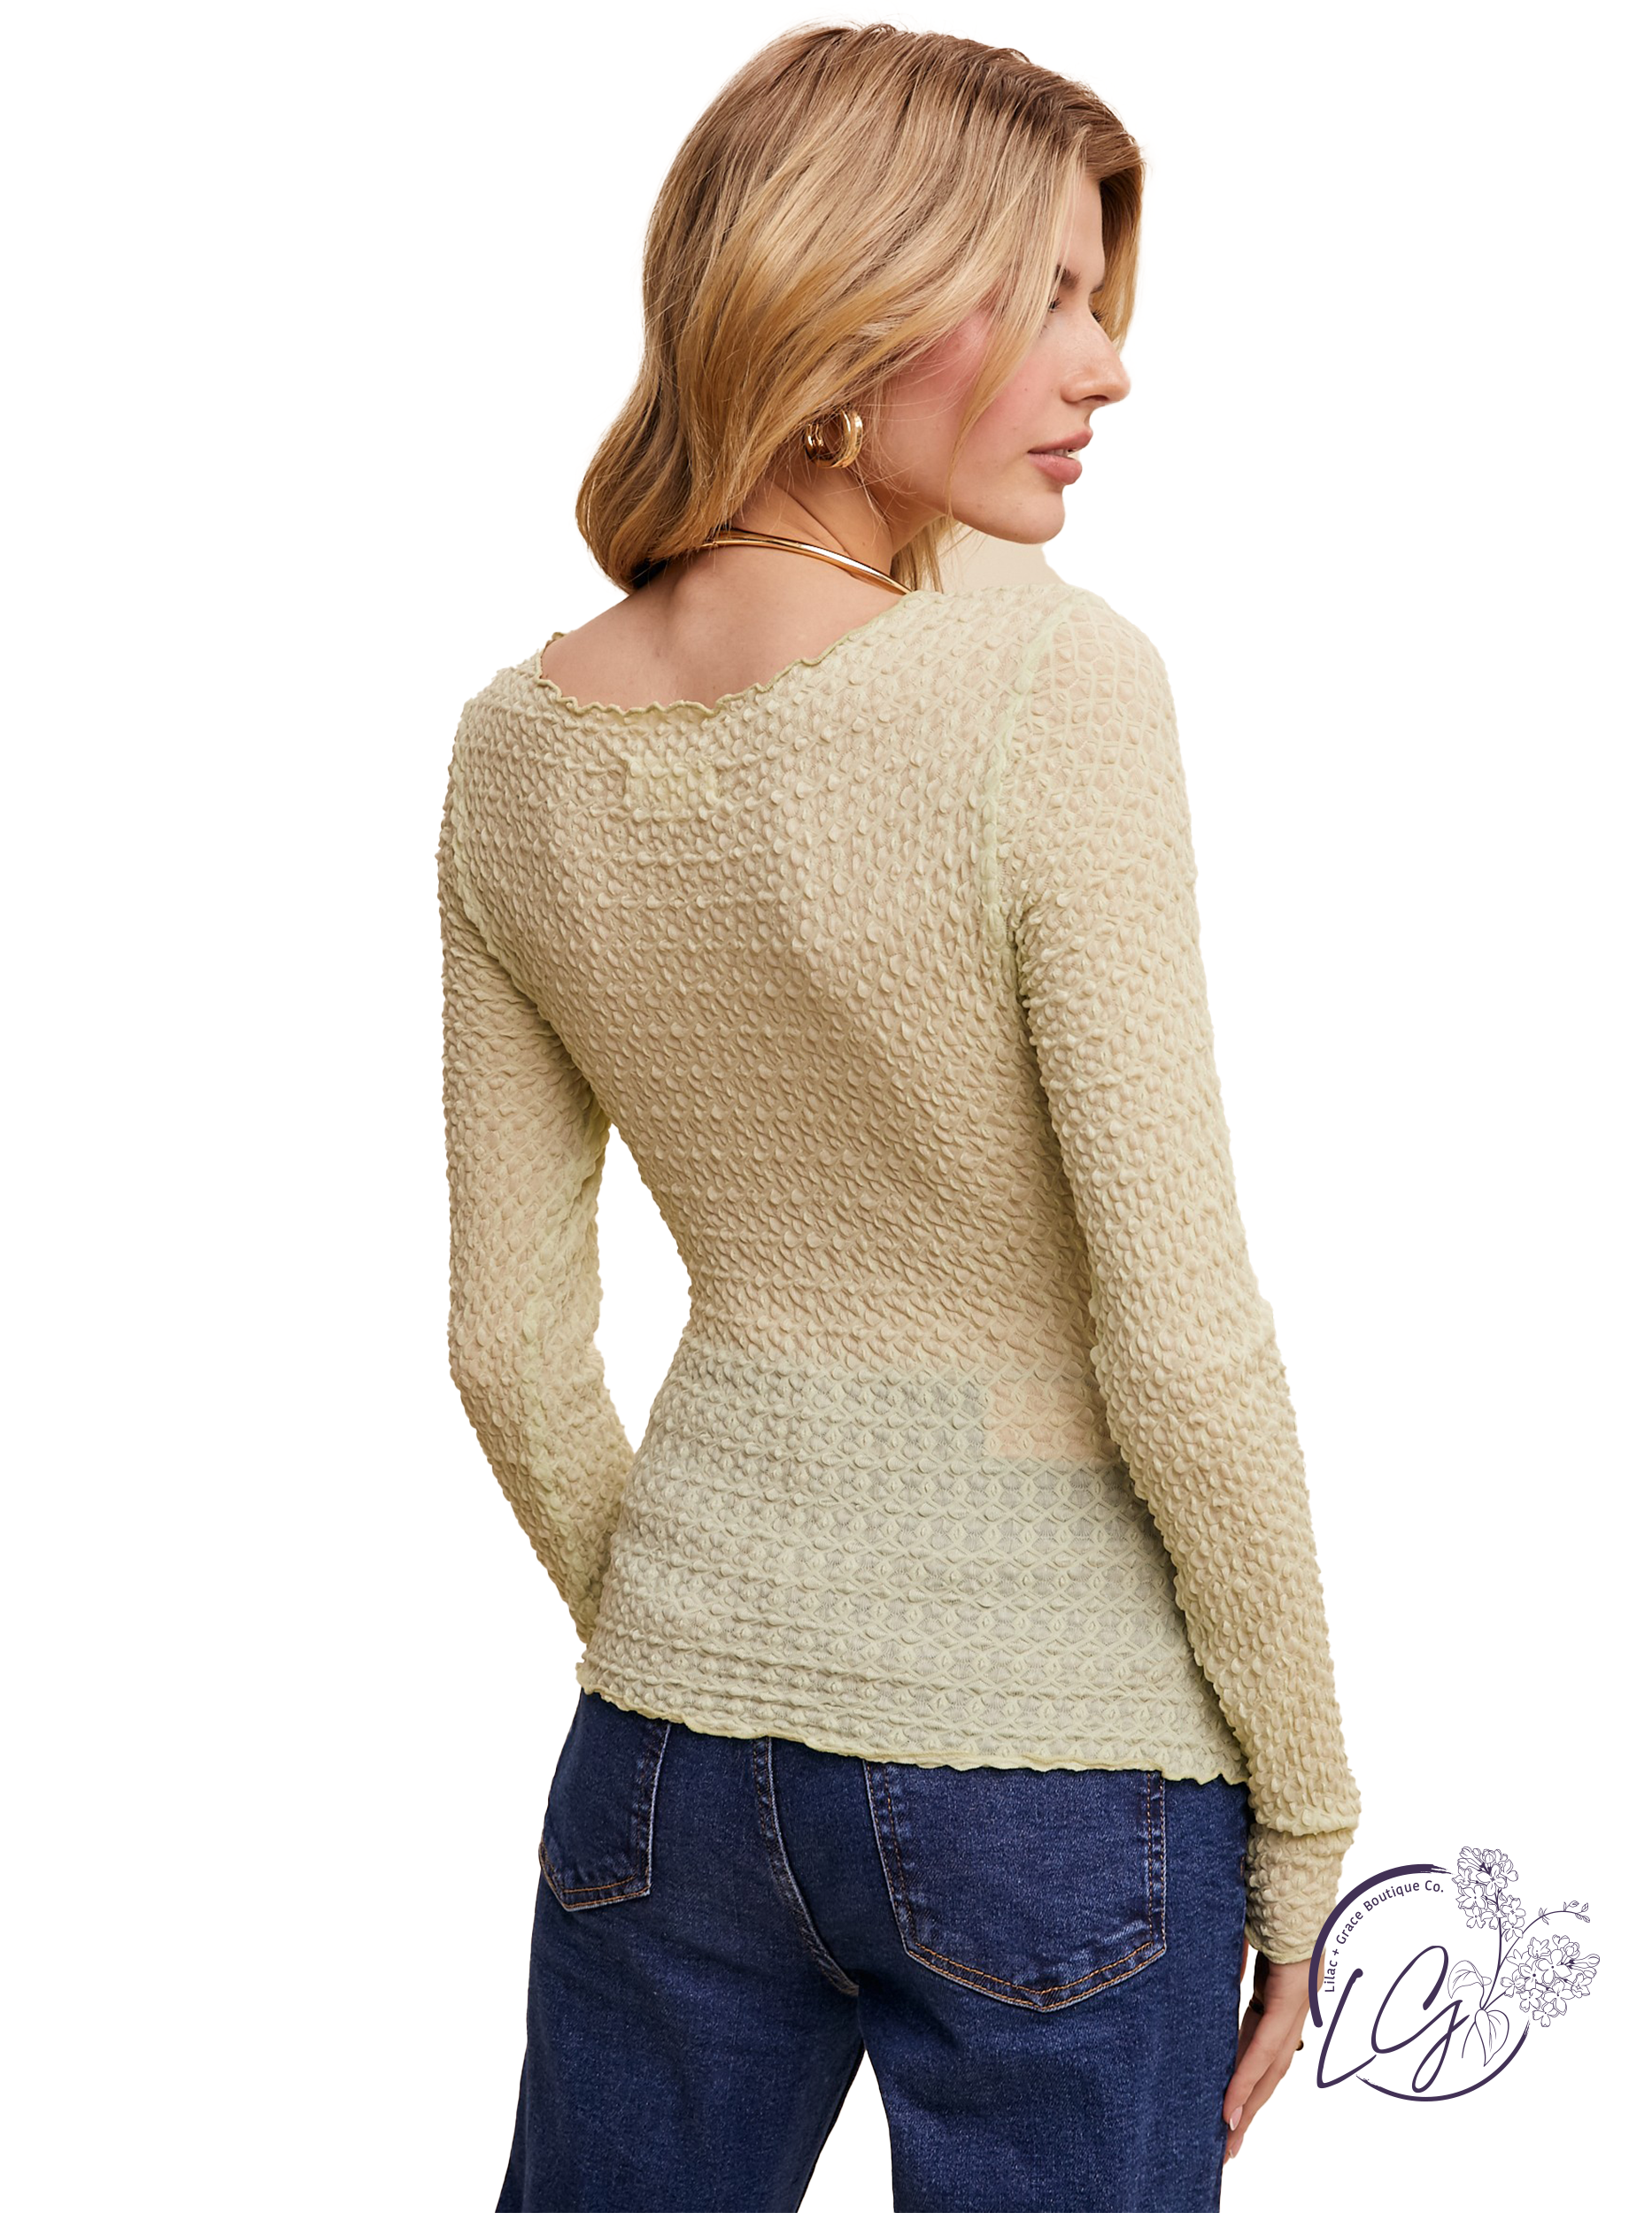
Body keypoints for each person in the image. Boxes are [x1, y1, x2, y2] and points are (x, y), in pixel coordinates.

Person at [436, 23, 1361, 2211]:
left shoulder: (512, 747)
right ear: (844, 310)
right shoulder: (1051, 682)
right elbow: (1178, 1334)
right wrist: (1313, 1809)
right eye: (1043, 295)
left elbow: (507, 1346)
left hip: (661, 1756)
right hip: (1059, 1767)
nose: (1107, 364)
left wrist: (702, 1634)